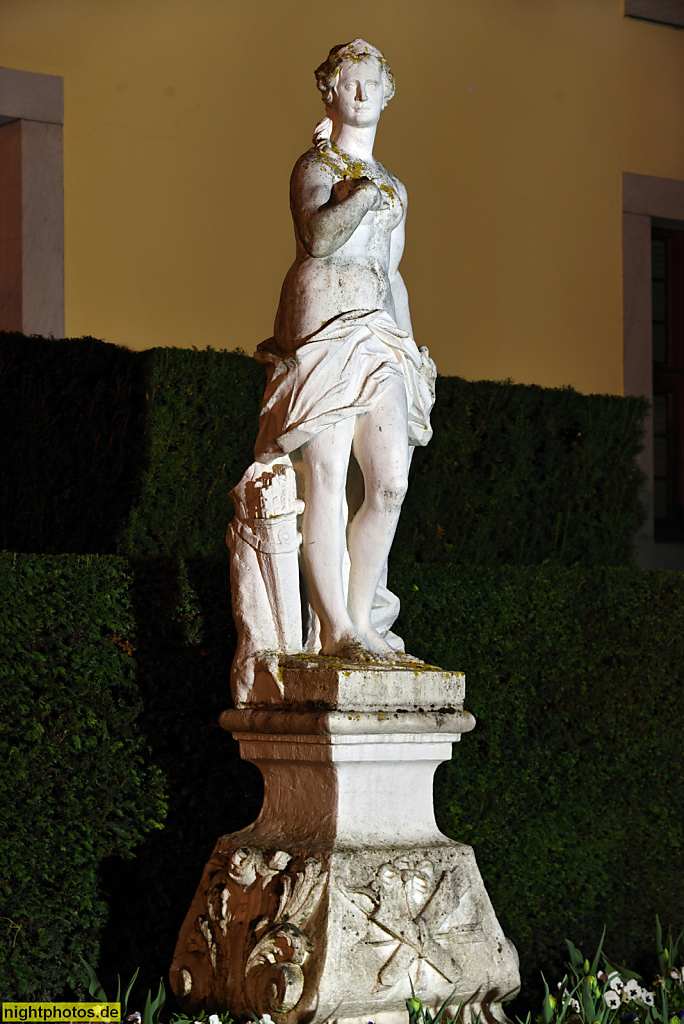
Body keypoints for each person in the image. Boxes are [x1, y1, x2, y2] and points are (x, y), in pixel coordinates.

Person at [253, 39, 436, 662]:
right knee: (326, 475)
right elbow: (317, 240)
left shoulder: (395, 187)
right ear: (329, 92)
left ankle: (365, 617)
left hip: (380, 332)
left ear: (387, 94)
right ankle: (335, 627)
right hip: (324, 324)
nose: (361, 93)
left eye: (371, 83)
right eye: (348, 81)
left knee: (388, 485)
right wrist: (352, 195)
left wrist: (411, 348)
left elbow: (394, 270)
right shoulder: (317, 168)